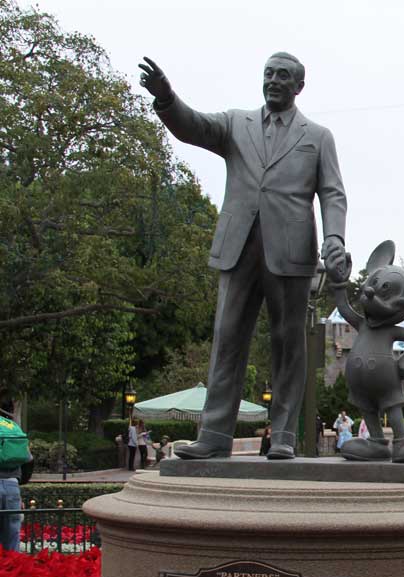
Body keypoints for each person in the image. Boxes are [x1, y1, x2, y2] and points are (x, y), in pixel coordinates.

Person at [139, 52, 348, 461]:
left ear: (298, 86)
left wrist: (335, 238)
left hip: (291, 251)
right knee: (227, 338)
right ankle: (215, 433)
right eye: (268, 74)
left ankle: (284, 434)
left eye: (283, 76)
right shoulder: (236, 123)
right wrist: (166, 98)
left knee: (289, 344)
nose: (273, 80)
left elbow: (333, 192)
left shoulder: (318, 136)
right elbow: (192, 125)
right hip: (238, 247)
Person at [1, 450, 32, 552]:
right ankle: (12, 561)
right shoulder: (15, 435)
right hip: (12, 483)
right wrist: (21, 480)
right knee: (13, 528)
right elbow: (29, 459)